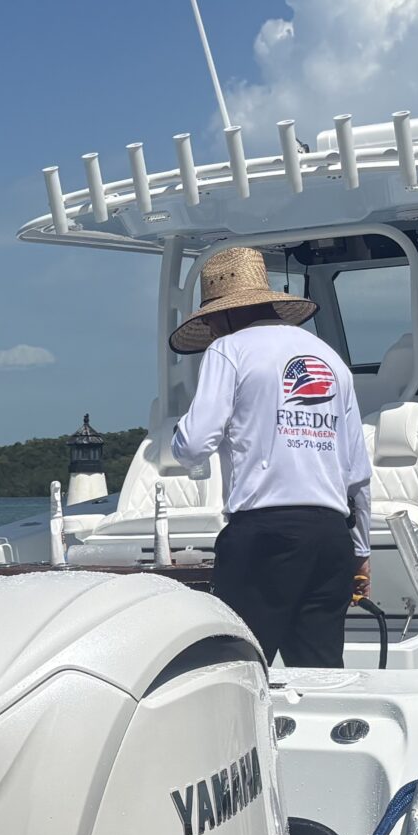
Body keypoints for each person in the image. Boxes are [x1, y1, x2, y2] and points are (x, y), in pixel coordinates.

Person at [165, 246, 372, 667]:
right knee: (320, 674)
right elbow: (357, 475)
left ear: (221, 314)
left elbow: (194, 443)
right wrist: (361, 550)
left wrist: (179, 435)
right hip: (331, 538)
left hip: (265, 535)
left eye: (208, 319)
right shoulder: (331, 359)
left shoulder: (230, 350)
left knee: (236, 670)